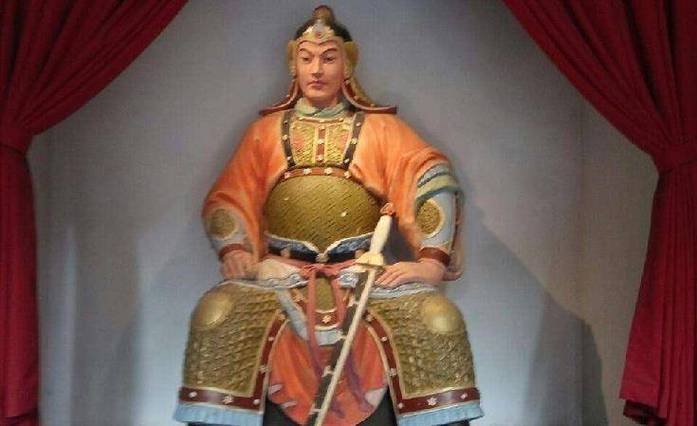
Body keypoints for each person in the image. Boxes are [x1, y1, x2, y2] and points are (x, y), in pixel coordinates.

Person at [174, 6, 483, 426]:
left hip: (362, 273)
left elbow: (430, 177)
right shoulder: (265, 133)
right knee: (217, 313)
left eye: (328, 58)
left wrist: (429, 263)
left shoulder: (380, 129)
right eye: (307, 59)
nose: (317, 69)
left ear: (347, 65)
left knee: (437, 319)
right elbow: (229, 197)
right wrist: (236, 250)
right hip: (281, 273)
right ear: (294, 65)